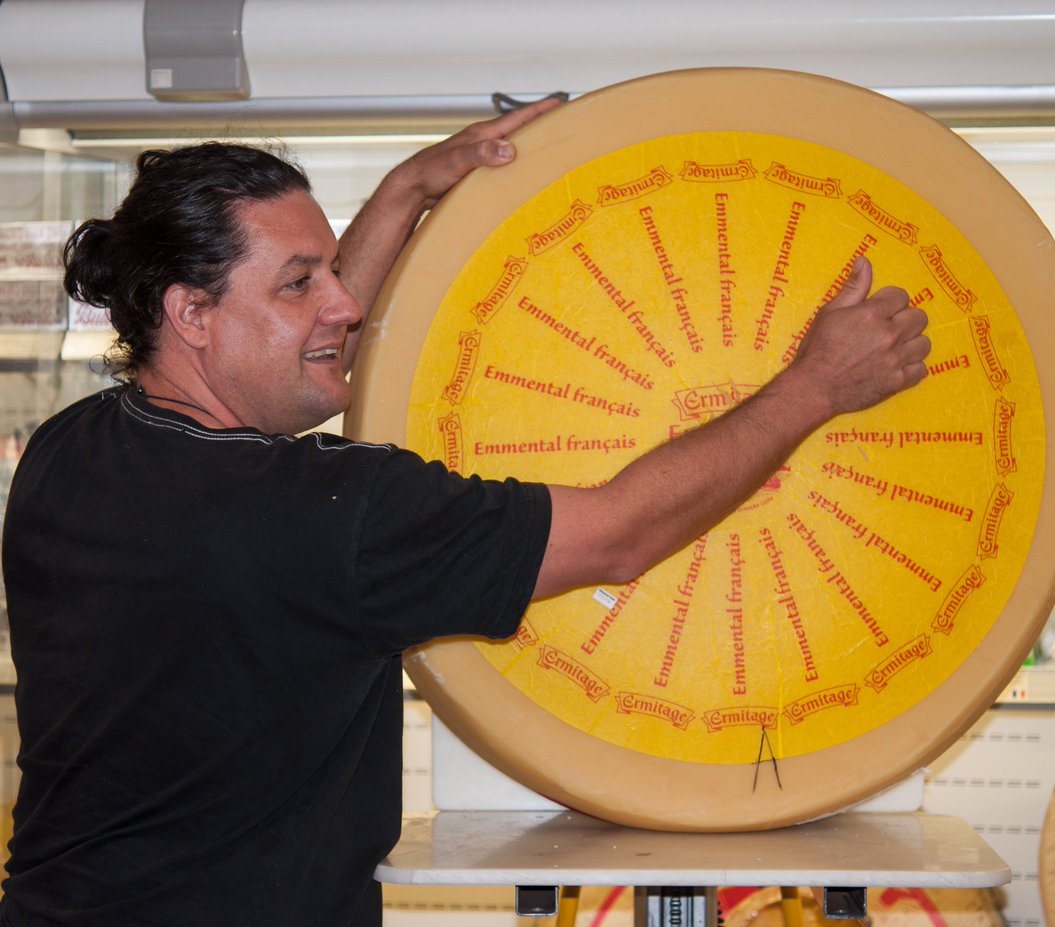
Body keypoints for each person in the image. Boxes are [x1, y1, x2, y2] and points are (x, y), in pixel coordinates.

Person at [0, 96, 929, 926]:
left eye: (330, 269)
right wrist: (816, 387)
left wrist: (407, 191)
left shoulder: (70, 451)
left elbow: (288, 382)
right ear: (191, 313)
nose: (344, 304)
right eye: (300, 282)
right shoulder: (332, 515)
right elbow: (617, 534)